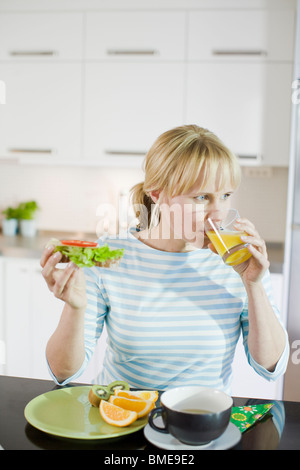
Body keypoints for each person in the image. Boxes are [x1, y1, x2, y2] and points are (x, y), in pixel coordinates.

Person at [41, 124, 289, 393]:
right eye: (202, 197)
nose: (218, 214)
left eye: (226, 196)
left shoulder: (238, 262)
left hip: (201, 423)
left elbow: (270, 367)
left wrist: (253, 285)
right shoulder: (110, 256)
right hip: (123, 418)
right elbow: (62, 373)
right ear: (158, 194)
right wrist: (75, 309)